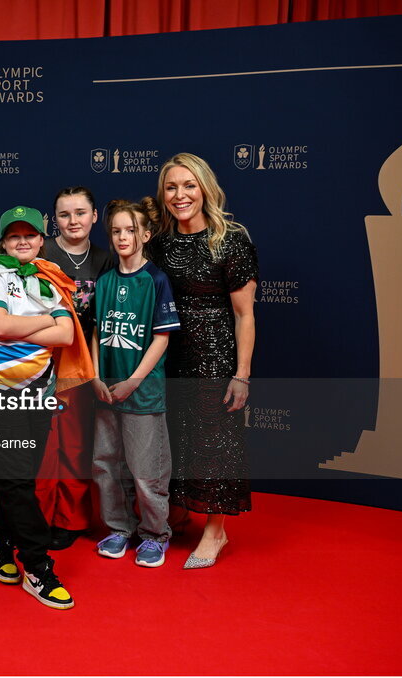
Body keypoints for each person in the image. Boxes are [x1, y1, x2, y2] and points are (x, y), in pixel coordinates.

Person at [0, 206, 92, 610]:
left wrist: (29, 328)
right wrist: (44, 325)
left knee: (19, 478)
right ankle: (37, 566)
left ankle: (3, 544)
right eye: (14, 236)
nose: (23, 241)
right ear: (4, 241)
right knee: (16, 481)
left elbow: (67, 333)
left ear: (41, 239)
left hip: (38, 393)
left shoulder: (48, 278)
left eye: (30, 235)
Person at [147, 153, 258, 569]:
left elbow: (245, 315)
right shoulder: (159, 243)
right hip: (169, 354)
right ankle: (179, 512)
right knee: (175, 439)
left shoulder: (230, 240)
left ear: (205, 189)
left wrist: (242, 374)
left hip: (214, 355)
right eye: (171, 187)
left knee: (215, 444)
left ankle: (216, 531)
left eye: (189, 185)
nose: (180, 195)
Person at [91, 199, 181, 567]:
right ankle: (119, 528)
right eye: (116, 231)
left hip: (142, 393)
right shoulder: (105, 281)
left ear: (145, 235)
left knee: (147, 472)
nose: (122, 237)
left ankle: (155, 534)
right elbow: (95, 331)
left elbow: (161, 338)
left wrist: (132, 381)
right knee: (106, 466)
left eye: (130, 230)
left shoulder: (156, 280)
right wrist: (95, 376)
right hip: (107, 393)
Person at [36, 187, 113, 550]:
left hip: (81, 361)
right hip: (40, 358)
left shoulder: (106, 259)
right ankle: (36, 515)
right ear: (54, 220)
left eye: (80, 213)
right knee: (42, 444)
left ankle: (70, 518)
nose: (73, 221)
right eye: (64, 214)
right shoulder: (41, 252)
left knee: (75, 444)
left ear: (94, 216)